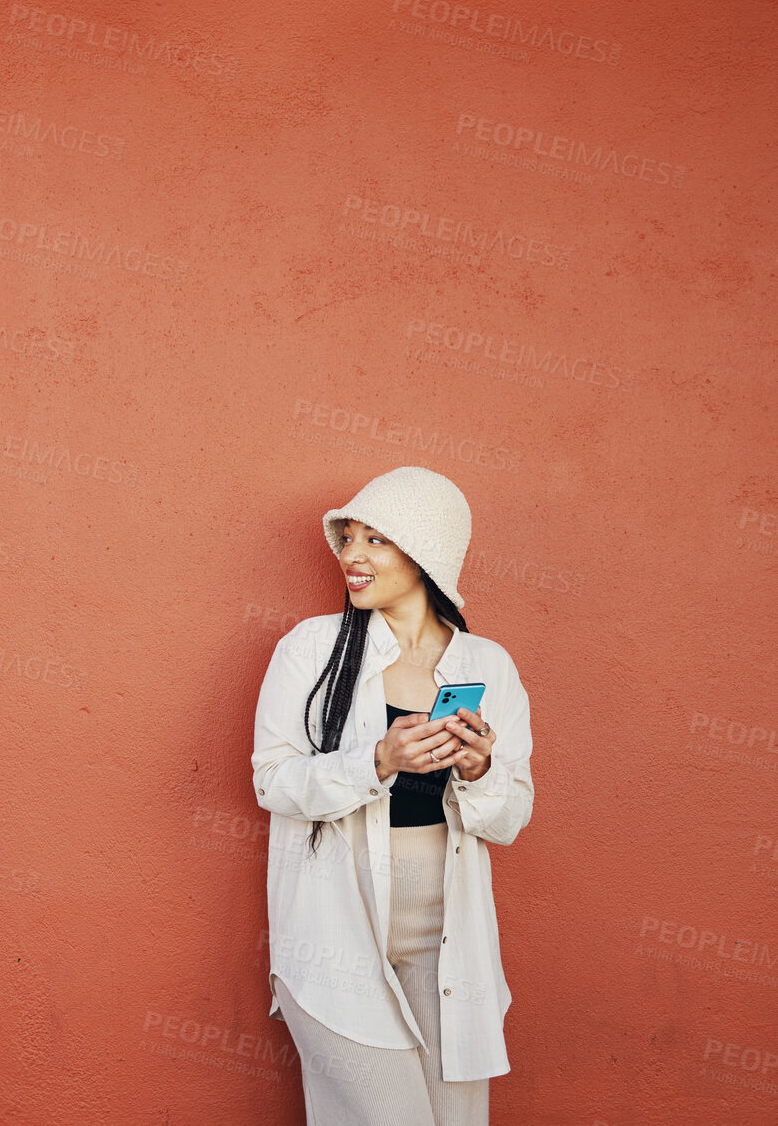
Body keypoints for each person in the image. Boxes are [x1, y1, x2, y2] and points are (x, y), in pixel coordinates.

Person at [250, 465, 535, 1125]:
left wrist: (478, 769)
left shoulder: (486, 664)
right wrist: (376, 759)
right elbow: (273, 779)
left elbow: (509, 817)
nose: (351, 555)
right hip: (334, 934)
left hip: (448, 935)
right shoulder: (310, 649)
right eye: (348, 537)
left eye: (374, 539)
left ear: (424, 552)